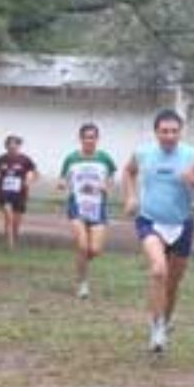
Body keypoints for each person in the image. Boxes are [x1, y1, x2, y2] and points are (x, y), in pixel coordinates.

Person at [122, 109, 194, 353]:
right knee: (158, 271)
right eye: (164, 131)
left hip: (182, 223)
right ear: (156, 132)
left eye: (174, 131)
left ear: (180, 132)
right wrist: (131, 197)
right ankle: (156, 328)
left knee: (173, 283)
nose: (169, 136)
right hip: (150, 220)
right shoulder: (143, 153)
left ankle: (164, 321)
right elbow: (128, 171)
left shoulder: (192, 156)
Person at [58, 123, 117, 299]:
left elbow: (112, 175)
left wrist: (107, 185)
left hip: (98, 207)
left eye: (93, 137)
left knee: (95, 249)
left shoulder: (104, 158)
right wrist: (62, 184)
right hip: (77, 205)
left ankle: (80, 264)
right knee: (82, 246)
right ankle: (82, 284)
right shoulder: (71, 158)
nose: (89, 140)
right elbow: (63, 178)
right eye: (86, 137)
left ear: (97, 139)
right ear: (81, 138)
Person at [0, 135, 38, 250]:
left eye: (15, 144)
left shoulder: (25, 159)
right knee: (8, 217)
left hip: (20, 194)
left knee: (16, 222)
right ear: (6, 146)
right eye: (10, 144)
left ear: (19, 146)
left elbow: (36, 174)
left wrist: (29, 180)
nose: (12, 146)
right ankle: (10, 245)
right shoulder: (0, 159)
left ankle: (13, 239)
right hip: (4, 193)